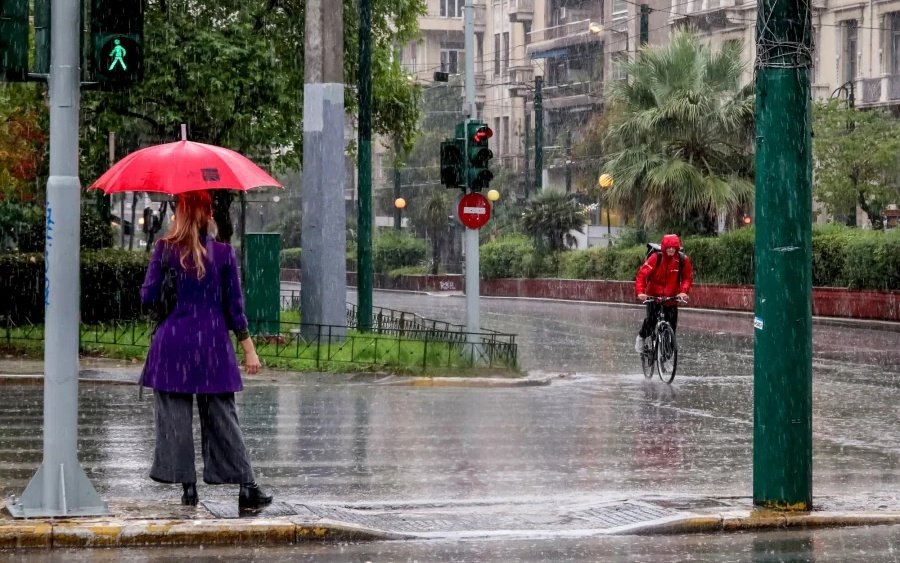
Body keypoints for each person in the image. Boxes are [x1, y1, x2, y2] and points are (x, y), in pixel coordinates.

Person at [140, 190, 272, 511]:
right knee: (223, 419)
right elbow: (235, 309)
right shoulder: (225, 254)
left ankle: (188, 488)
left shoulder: (164, 250)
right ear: (208, 215)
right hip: (212, 347)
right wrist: (249, 351)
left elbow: (147, 298)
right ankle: (246, 487)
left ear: (181, 213)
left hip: (172, 347)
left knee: (175, 420)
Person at [634, 233, 694, 353]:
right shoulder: (656, 258)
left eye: (674, 247)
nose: (671, 249)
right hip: (653, 296)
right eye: (669, 247)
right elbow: (642, 275)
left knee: (671, 329)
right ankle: (641, 337)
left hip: (671, 298)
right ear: (664, 247)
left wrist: (683, 292)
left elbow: (687, 277)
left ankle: (667, 356)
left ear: (677, 248)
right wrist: (640, 292)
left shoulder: (682, 260)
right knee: (651, 321)